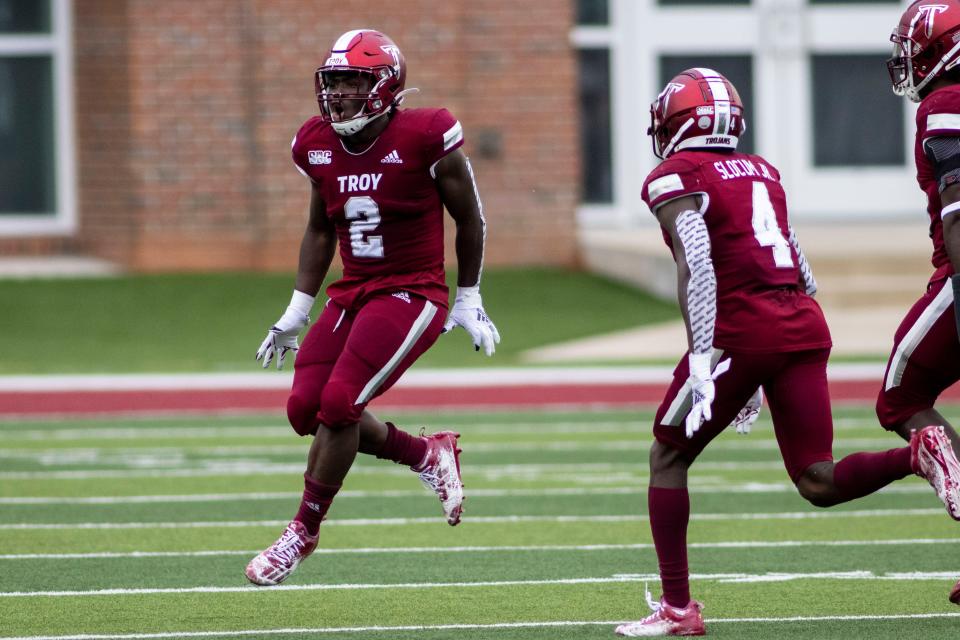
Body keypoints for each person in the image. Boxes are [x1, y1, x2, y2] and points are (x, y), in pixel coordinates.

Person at [615, 68, 960, 637]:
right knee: (815, 480)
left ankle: (678, 609)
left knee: (668, 456)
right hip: (802, 323)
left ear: (676, 123)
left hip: (740, 330)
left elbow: (697, 262)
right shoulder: (762, 170)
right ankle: (918, 454)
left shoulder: (674, 175)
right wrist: (762, 359)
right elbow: (798, 263)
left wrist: (706, 358)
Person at [244, 29, 500, 586]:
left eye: (354, 83)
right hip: (353, 290)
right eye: (334, 83)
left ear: (385, 88)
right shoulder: (315, 142)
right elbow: (319, 227)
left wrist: (469, 296)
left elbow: (471, 217)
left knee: (340, 404)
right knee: (305, 410)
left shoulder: (427, 135)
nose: (339, 95)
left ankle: (301, 532)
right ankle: (428, 455)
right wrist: (297, 308)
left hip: (413, 292)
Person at [887, 0, 960, 606]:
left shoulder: (945, 105)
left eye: (920, 49)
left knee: (901, 396)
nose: (910, 62)